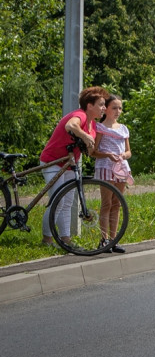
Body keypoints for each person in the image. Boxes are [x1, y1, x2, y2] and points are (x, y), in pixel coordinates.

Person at [39, 86, 109, 247]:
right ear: (89, 106)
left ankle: (66, 240)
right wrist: (84, 135)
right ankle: (47, 240)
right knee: (58, 200)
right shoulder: (80, 115)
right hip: (53, 160)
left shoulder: (93, 125)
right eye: (100, 104)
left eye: (104, 105)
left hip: (70, 163)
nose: (103, 108)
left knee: (68, 202)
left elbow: (91, 151)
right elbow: (70, 126)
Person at [92, 95, 133, 253]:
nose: (118, 111)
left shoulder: (123, 128)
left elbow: (129, 151)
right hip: (105, 167)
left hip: (121, 168)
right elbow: (94, 151)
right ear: (106, 109)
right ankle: (104, 239)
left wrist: (123, 156)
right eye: (114, 108)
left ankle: (114, 240)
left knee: (117, 203)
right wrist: (108, 155)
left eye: (120, 108)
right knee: (107, 203)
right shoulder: (101, 128)